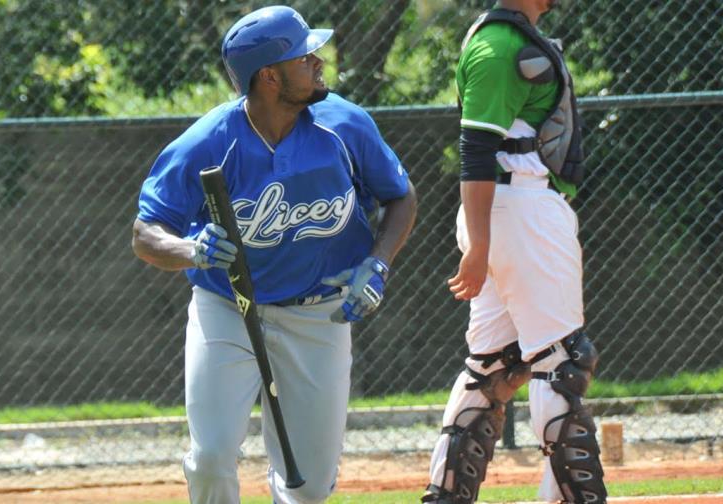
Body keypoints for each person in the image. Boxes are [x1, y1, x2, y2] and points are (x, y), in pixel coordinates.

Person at [131, 6, 417, 504]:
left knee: (306, 486)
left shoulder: (344, 125)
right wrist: (190, 250)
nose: (318, 62)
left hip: (319, 314)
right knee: (213, 456)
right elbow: (145, 232)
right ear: (269, 77)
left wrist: (379, 263)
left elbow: (401, 196)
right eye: (304, 56)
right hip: (229, 309)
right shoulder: (210, 140)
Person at [421, 1, 607, 503]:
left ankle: (447, 496)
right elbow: (476, 150)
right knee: (562, 362)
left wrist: (483, 241)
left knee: (494, 366)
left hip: (511, 210)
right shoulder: (500, 44)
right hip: (519, 210)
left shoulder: (508, 37)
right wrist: (479, 246)